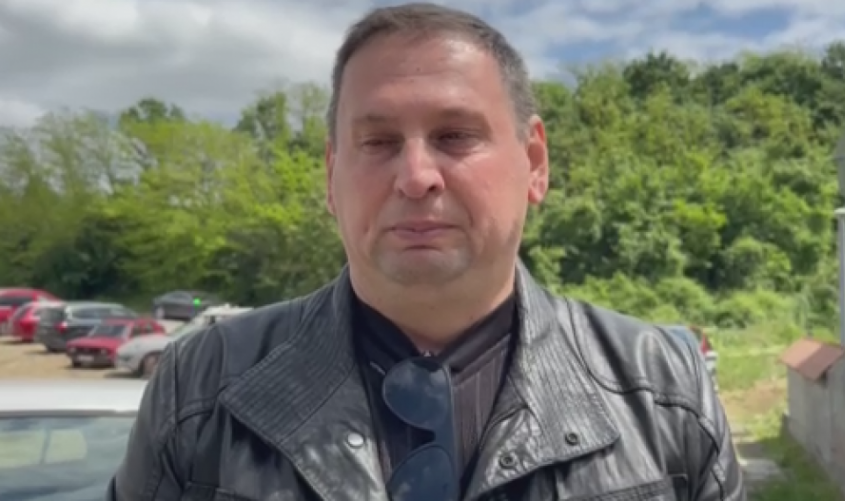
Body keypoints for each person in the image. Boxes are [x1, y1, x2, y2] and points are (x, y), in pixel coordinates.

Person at [109, 3, 745, 500]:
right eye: (378, 142)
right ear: (331, 176)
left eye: (455, 135)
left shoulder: (663, 390)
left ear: (534, 162)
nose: (416, 177)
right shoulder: (202, 386)